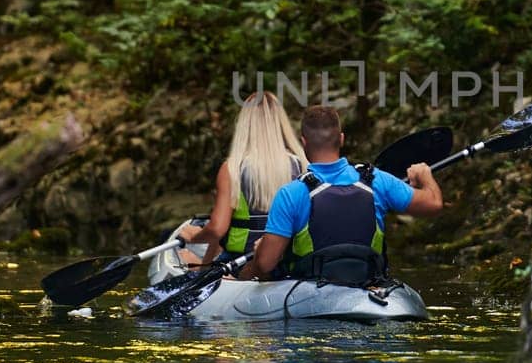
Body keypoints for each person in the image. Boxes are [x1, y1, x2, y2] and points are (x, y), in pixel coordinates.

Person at [237, 105, 442, 283]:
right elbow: (433, 204)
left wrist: (247, 269)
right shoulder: (379, 181)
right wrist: (425, 176)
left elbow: (264, 265)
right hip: (368, 284)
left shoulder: (291, 193)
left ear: (304, 142)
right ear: (341, 139)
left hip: (308, 292)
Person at [176, 91, 307, 270]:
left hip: (241, 263)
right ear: (280, 124)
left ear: (245, 125)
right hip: (289, 263)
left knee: (188, 256)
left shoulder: (232, 168)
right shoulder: (302, 165)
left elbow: (217, 229)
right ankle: (204, 264)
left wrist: (194, 236)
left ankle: (202, 265)